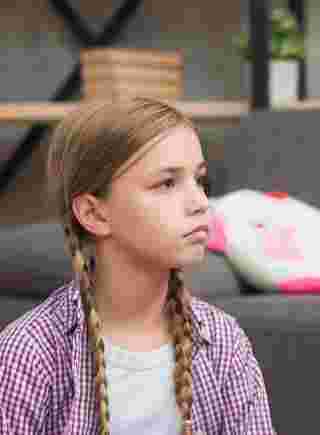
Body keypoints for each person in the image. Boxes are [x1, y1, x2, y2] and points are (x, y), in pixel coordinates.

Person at [0, 97, 275, 435]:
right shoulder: (29, 355)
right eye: (167, 183)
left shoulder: (223, 342)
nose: (201, 203)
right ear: (94, 214)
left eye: (200, 181)